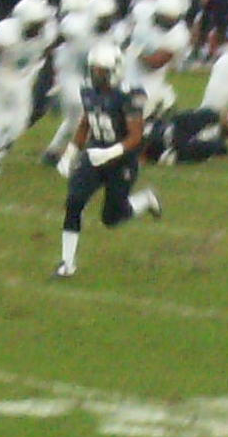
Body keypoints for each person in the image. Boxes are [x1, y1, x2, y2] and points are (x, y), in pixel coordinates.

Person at [52, 43, 164, 278]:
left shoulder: (129, 94)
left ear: (114, 71)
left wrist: (110, 153)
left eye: (100, 71)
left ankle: (145, 200)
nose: (95, 75)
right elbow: (87, 121)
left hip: (122, 159)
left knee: (111, 218)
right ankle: (67, 264)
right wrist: (71, 151)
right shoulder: (88, 90)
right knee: (74, 201)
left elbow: (136, 136)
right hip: (95, 153)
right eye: (93, 69)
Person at [0, 0, 57, 178]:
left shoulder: (47, 34)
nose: (40, 27)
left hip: (24, 77)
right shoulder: (5, 33)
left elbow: (48, 53)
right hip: (3, 76)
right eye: (37, 24)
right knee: (5, 122)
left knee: (20, 122)